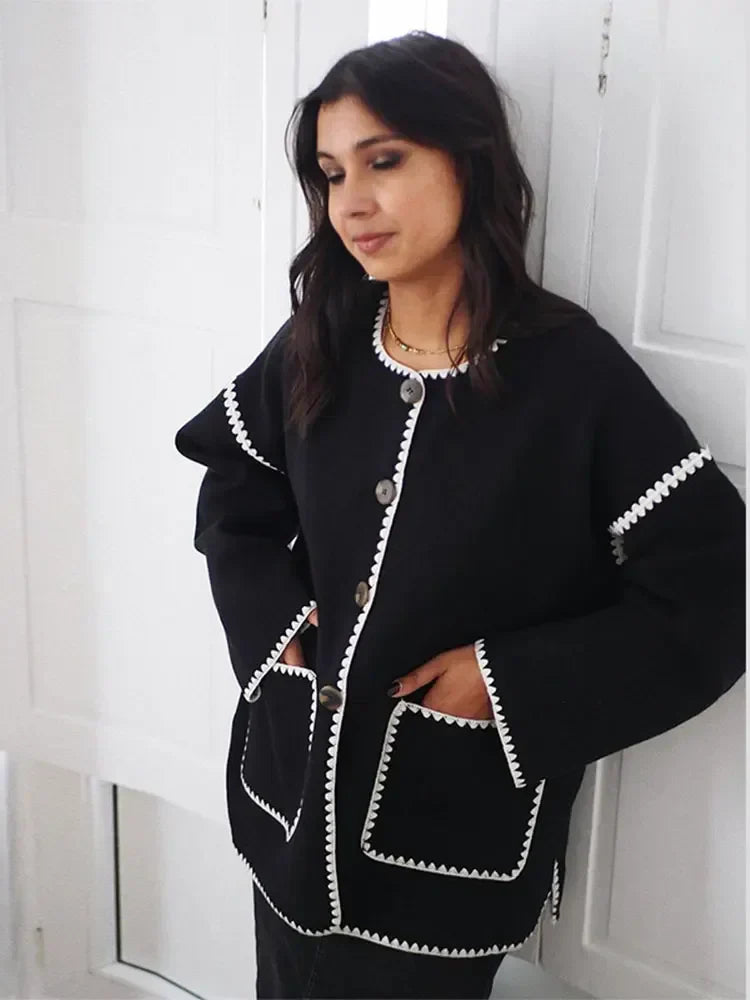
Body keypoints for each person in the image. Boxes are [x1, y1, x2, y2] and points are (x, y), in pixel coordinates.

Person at [173, 30, 746, 1000]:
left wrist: (507, 681)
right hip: (288, 805)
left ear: (469, 161)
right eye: (331, 173)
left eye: (385, 161)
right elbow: (234, 479)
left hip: (443, 851)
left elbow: (712, 593)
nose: (351, 202)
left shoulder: (572, 379)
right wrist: (278, 628)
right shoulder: (323, 335)